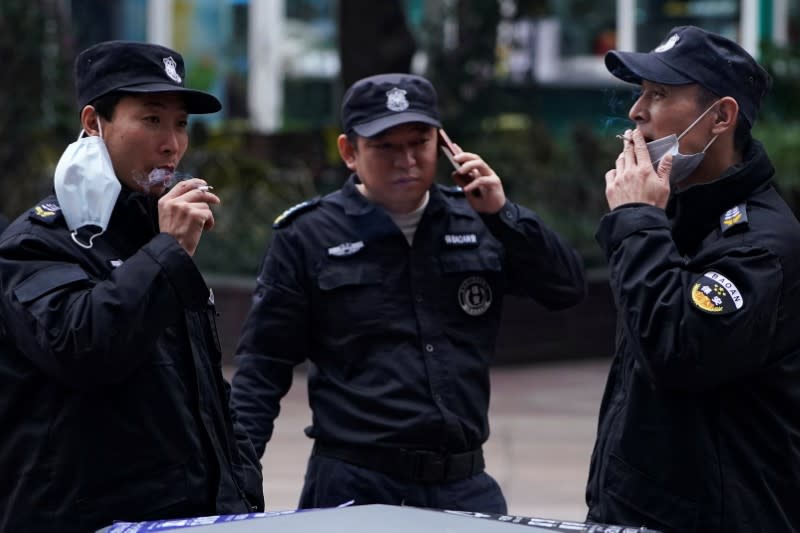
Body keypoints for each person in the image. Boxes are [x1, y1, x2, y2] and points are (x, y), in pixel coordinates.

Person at [231, 73, 587, 513]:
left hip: (462, 484)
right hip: (354, 486)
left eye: (419, 143)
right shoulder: (307, 236)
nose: (407, 161)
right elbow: (262, 365)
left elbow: (565, 288)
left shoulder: (479, 221)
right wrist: (236, 479)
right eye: (385, 147)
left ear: (442, 142)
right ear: (349, 152)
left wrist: (504, 214)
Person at [0, 41, 264, 532]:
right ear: (93, 123)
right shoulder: (37, 242)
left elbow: (208, 395)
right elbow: (82, 347)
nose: (172, 143)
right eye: (151, 119)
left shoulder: (159, 237)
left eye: (181, 124)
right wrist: (166, 252)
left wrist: (242, 495)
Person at [586, 26, 800, 532]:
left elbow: (677, 350)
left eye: (658, 94)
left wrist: (637, 222)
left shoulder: (761, 244)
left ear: (721, 117)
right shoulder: (677, 213)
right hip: (634, 512)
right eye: (640, 93)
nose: (637, 112)